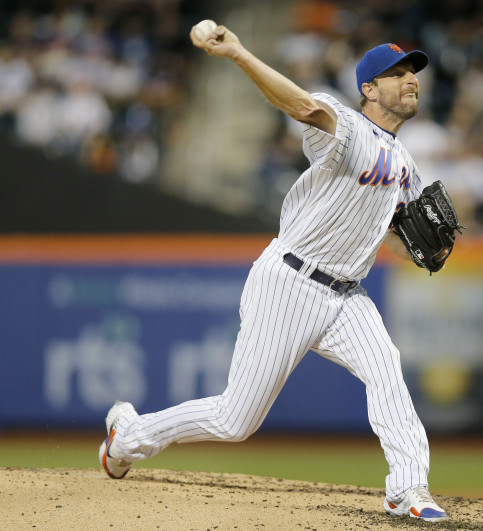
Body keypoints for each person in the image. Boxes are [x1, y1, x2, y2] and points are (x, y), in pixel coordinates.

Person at [98, 22, 450, 523]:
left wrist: (420, 251)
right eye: (396, 73)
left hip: (347, 296)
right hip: (290, 283)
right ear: (369, 89)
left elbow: (393, 232)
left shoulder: (406, 164)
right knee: (234, 420)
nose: (410, 79)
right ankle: (130, 436)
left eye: (413, 71)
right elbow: (303, 106)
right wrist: (240, 53)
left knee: (386, 369)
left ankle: (408, 488)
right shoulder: (347, 127)